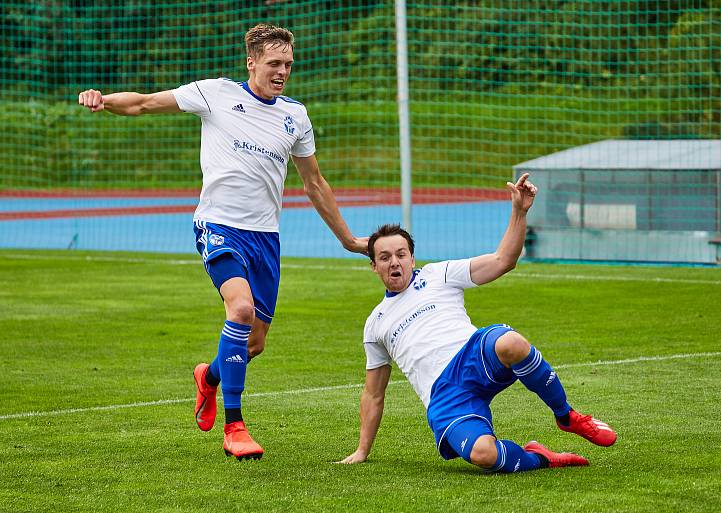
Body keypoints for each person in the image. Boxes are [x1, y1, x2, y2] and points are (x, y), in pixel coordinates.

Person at [78, 24, 367, 460]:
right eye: (274, 63)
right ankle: (235, 427)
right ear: (251, 61)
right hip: (218, 225)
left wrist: (347, 239)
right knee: (241, 310)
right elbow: (142, 103)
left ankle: (208, 378)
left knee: (254, 343)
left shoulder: (296, 116)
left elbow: (315, 183)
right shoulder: (214, 93)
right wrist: (103, 99)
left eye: (288, 64)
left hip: (265, 238)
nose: (282, 72)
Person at [339, 173, 617, 473]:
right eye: (384, 257)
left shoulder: (439, 274)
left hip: (473, 355)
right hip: (444, 396)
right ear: (374, 266)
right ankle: (542, 457)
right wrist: (362, 450)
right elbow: (373, 393)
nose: (394, 262)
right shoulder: (376, 323)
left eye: (400, 254)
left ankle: (567, 416)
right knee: (484, 455)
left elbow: (503, 261)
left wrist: (519, 212)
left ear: (412, 258)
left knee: (510, 342)